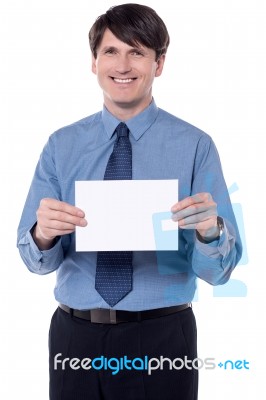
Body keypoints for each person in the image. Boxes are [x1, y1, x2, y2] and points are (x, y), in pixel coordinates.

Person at [17, 3, 242, 400]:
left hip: (163, 339)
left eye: (137, 51)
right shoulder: (61, 146)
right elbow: (35, 260)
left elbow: (219, 274)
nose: (123, 64)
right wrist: (43, 235)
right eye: (111, 51)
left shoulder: (195, 146)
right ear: (94, 62)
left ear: (159, 64)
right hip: (75, 339)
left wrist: (211, 232)